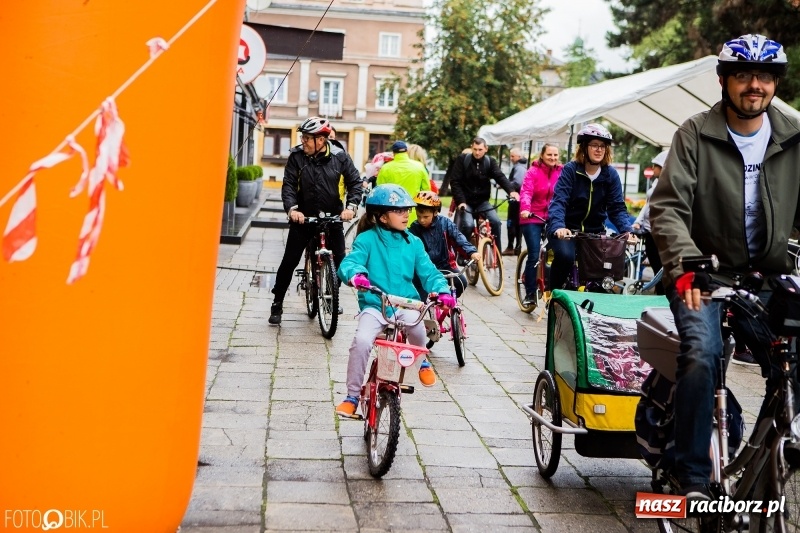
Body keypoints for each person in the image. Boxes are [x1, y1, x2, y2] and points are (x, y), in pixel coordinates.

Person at [649, 34, 800, 501]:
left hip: (769, 275)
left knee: (791, 361)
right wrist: (685, 264)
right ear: (723, 81)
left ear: (774, 83)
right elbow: (669, 206)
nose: (753, 85)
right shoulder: (695, 133)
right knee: (701, 353)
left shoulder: (794, 135)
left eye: (763, 77)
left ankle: (769, 450)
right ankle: (690, 474)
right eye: (742, 76)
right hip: (702, 273)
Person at [334, 184, 454, 417]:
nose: (407, 215)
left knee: (418, 328)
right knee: (361, 341)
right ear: (381, 216)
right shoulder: (367, 239)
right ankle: (351, 396)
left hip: (405, 304)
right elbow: (350, 263)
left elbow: (429, 273)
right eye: (399, 211)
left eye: (407, 210)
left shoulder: (413, 242)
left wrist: (442, 291)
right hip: (375, 305)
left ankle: (422, 360)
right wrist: (356, 276)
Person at [268, 116, 362, 325]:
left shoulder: (340, 157)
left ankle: (332, 297)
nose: (303, 141)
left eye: (307, 138)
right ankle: (278, 301)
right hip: (303, 219)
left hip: (333, 218)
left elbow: (355, 183)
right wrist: (293, 209)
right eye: (303, 137)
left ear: (321, 140)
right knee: (290, 261)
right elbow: (289, 185)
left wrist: (351, 207)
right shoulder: (297, 157)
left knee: (339, 260)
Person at [547, 124, 633, 290]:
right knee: (565, 256)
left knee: (604, 269)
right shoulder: (570, 170)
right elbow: (559, 201)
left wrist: (627, 231)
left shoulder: (610, 175)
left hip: (594, 232)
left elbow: (616, 208)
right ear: (584, 148)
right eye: (594, 145)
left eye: (602, 146)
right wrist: (558, 226)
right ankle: (554, 294)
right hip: (567, 229)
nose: (599, 150)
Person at [449, 137, 520, 251]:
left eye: (480, 149)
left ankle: (497, 254)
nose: (477, 152)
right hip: (466, 202)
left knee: (496, 222)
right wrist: (461, 201)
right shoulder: (463, 160)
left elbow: (500, 177)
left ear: (486, 149)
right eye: (475, 149)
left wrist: (511, 191)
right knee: (467, 225)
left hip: (482, 202)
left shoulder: (489, 162)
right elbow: (455, 182)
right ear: (472, 147)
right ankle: (464, 253)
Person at [408, 191, 480, 299]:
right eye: (419, 216)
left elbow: (458, 238)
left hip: (445, 265)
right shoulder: (414, 228)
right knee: (422, 297)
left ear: (436, 212)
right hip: (423, 268)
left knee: (461, 283)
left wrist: (471, 252)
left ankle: (448, 302)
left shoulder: (445, 223)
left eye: (426, 216)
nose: (421, 220)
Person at [518, 144, 562, 305]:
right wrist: (525, 208)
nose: (553, 158)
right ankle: (530, 293)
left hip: (553, 218)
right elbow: (526, 192)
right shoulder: (533, 172)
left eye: (555, 155)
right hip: (531, 217)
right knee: (535, 254)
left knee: (557, 252)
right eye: (549, 154)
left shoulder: (562, 172)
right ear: (542, 155)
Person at [631, 149, 668, 295]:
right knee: (655, 265)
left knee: (660, 267)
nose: (652, 168)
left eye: (655, 165)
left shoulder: (668, 185)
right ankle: (659, 293)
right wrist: (638, 221)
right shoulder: (655, 183)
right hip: (649, 230)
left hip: (659, 232)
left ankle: (661, 295)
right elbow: (647, 205)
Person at [376, 140, 430, 224]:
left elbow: (379, 191)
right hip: (414, 213)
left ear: (393, 153)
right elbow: (426, 191)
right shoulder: (419, 166)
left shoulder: (385, 168)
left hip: (393, 214)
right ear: (406, 152)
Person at [502, 148, 527, 256]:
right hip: (520, 200)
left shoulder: (519, 168)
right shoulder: (523, 166)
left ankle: (512, 247)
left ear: (519, 157)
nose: (511, 158)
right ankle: (516, 246)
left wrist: (506, 185)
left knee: (512, 223)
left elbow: (517, 183)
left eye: (513, 156)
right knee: (517, 224)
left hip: (516, 200)